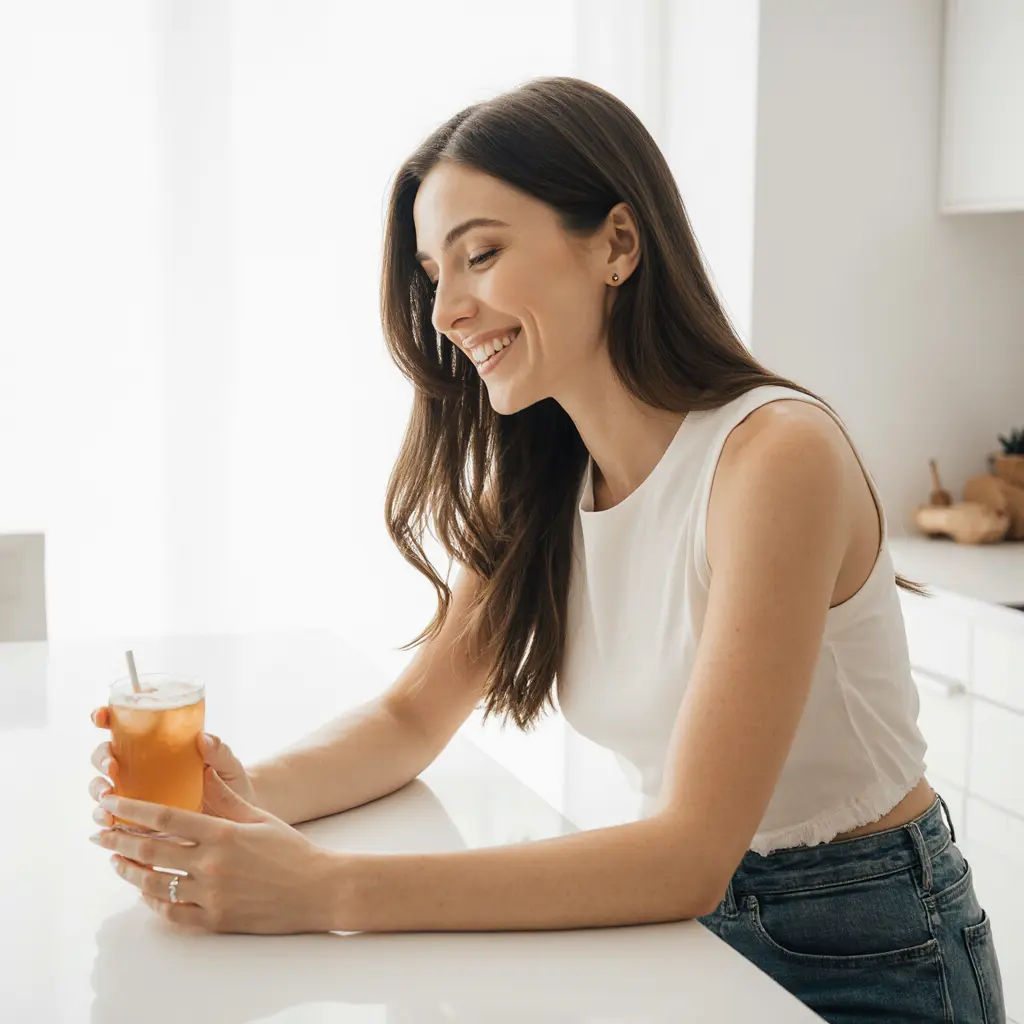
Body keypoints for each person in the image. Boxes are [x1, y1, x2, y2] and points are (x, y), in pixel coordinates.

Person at [87, 76, 1005, 1022]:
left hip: (871, 945)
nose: (445, 310)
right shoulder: (545, 483)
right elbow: (411, 719)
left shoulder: (776, 458)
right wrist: (235, 800)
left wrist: (326, 889)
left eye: (479, 253)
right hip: (675, 932)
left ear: (616, 244)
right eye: (432, 273)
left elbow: (689, 854)